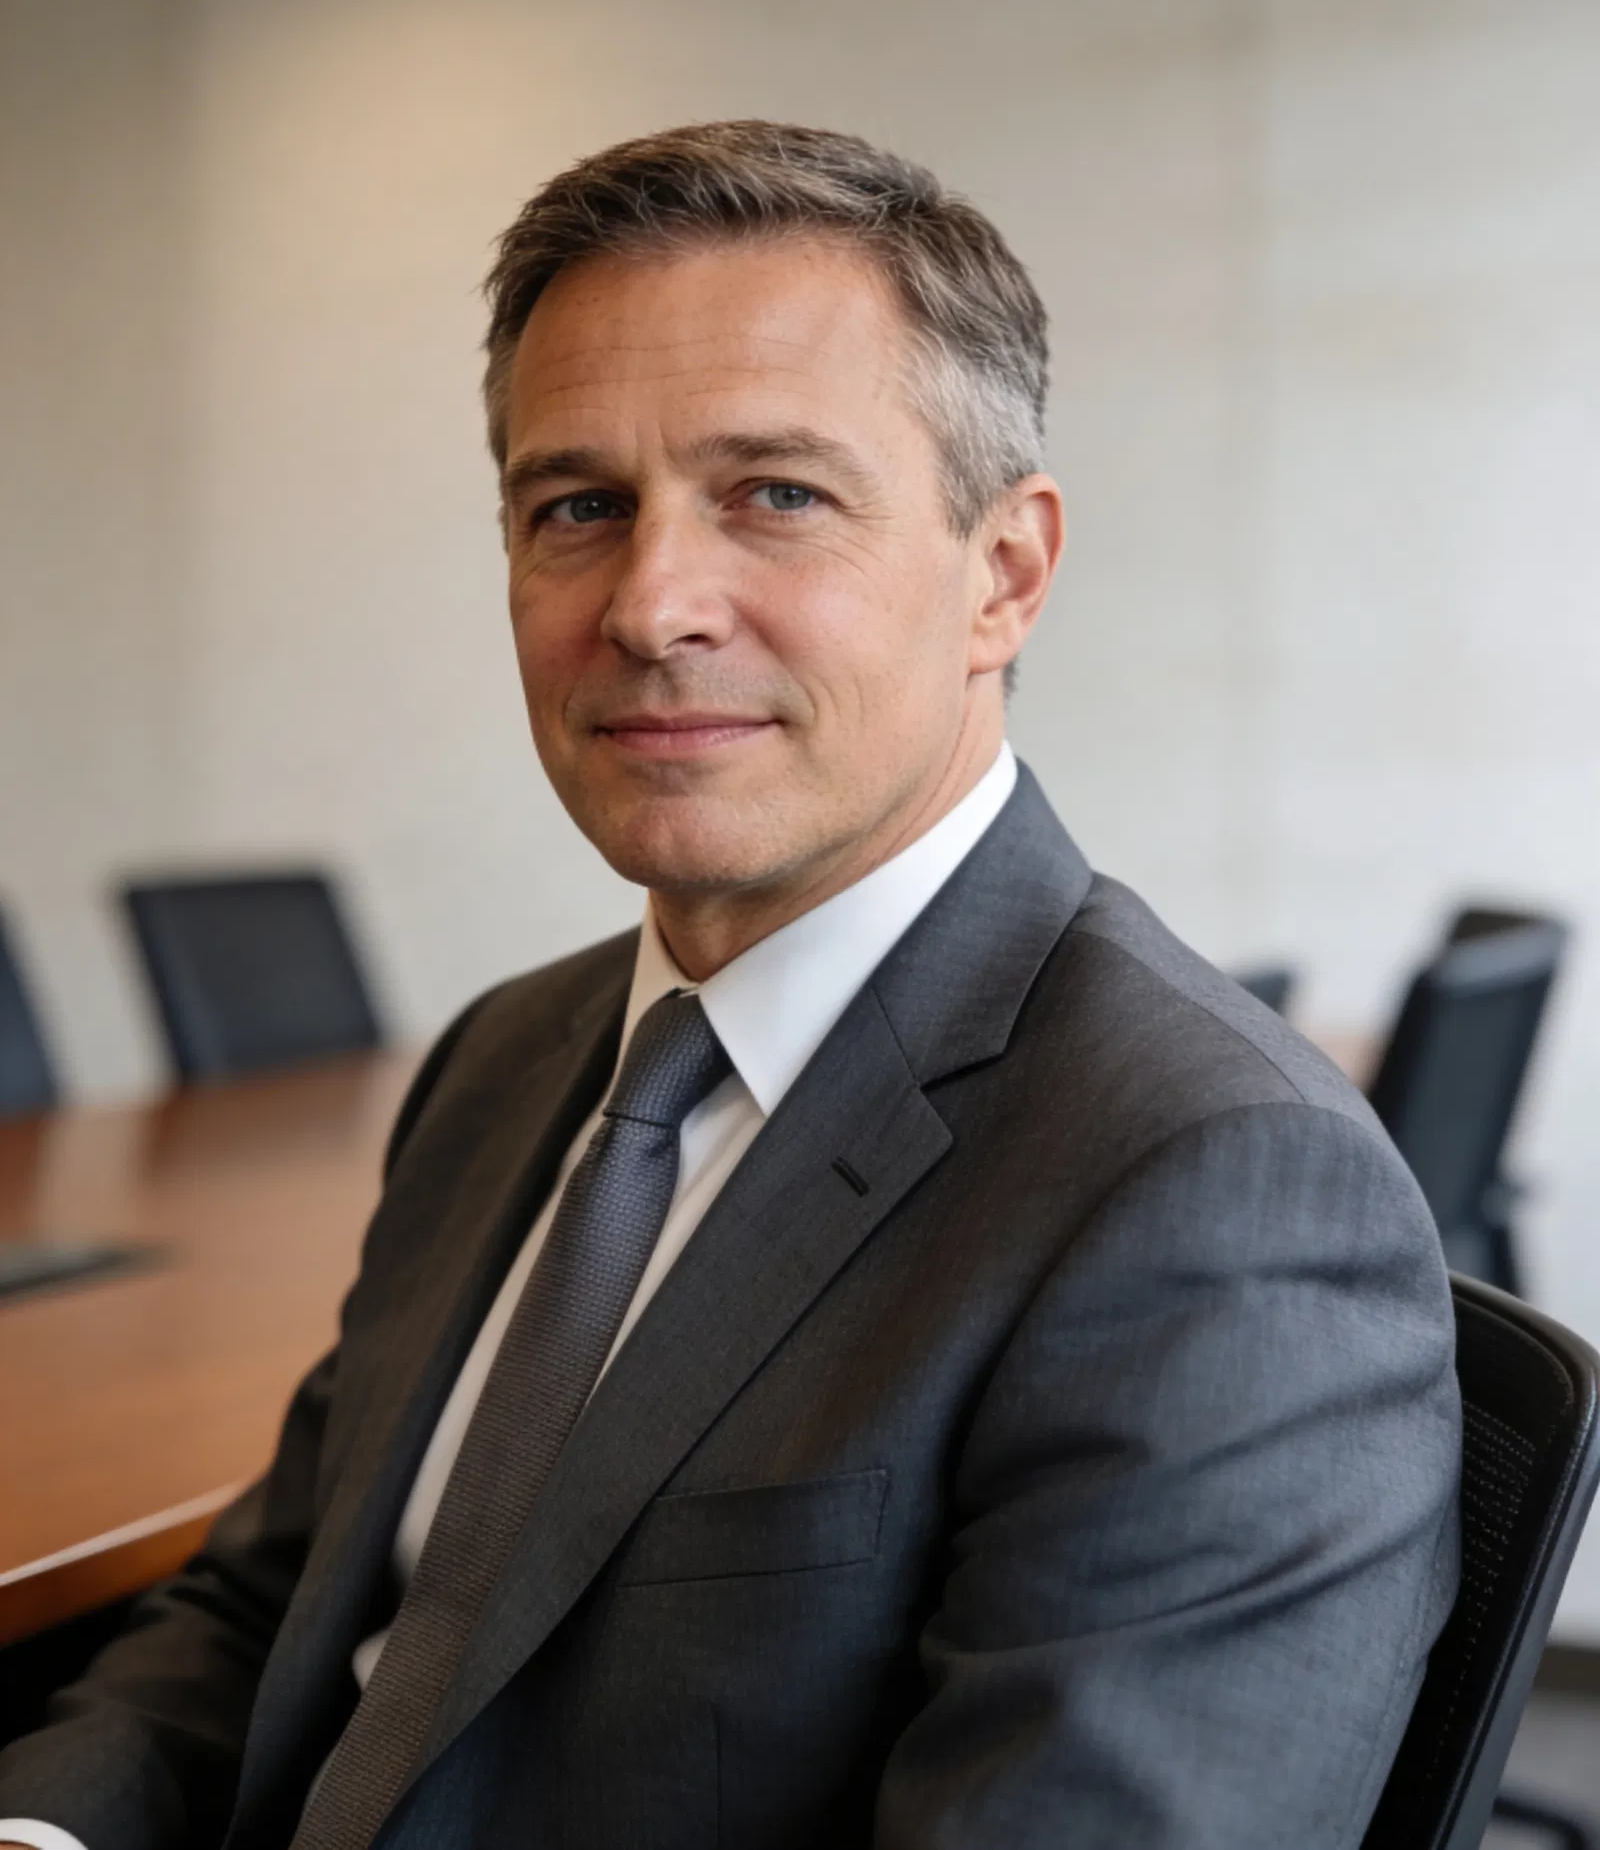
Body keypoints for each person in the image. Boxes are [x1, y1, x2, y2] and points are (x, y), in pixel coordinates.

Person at [0, 122, 1460, 1850]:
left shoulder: (1211, 1190)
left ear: (1004, 574)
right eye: (577, 509)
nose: (652, 602)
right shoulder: (511, 1058)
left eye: (777, 494)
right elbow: (271, 1608)